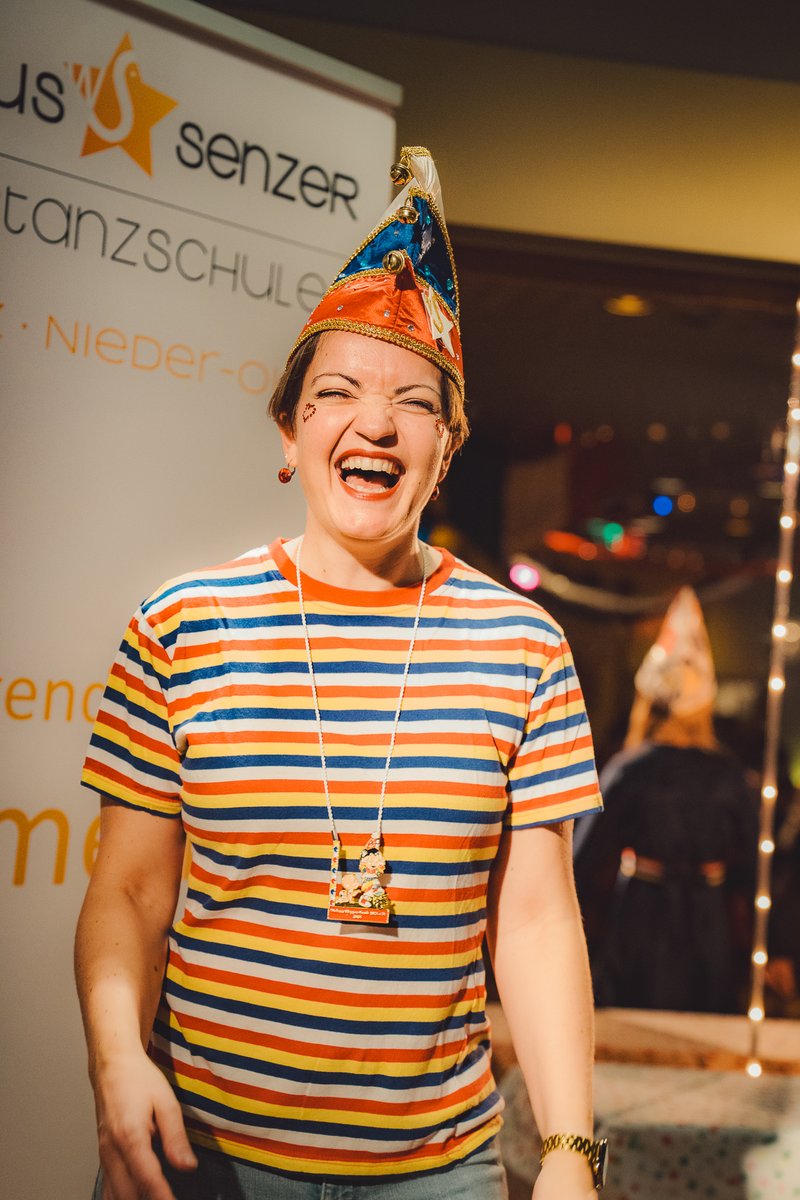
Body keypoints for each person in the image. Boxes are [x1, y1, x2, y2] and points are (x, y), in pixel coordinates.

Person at [75, 147, 606, 1200]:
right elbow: (128, 892)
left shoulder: (524, 645)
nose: (375, 422)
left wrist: (567, 1151)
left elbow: (538, 921)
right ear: (290, 428)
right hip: (203, 1161)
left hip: (434, 1173)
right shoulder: (182, 625)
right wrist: (116, 1060)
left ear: (446, 447)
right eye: (337, 392)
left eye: (414, 401)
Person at [574, 587, 757, 1012]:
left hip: (644, 914)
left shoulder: (630, 768)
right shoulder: (728, 773)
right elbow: (755, 866)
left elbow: (583, 859)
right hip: (700, 920)